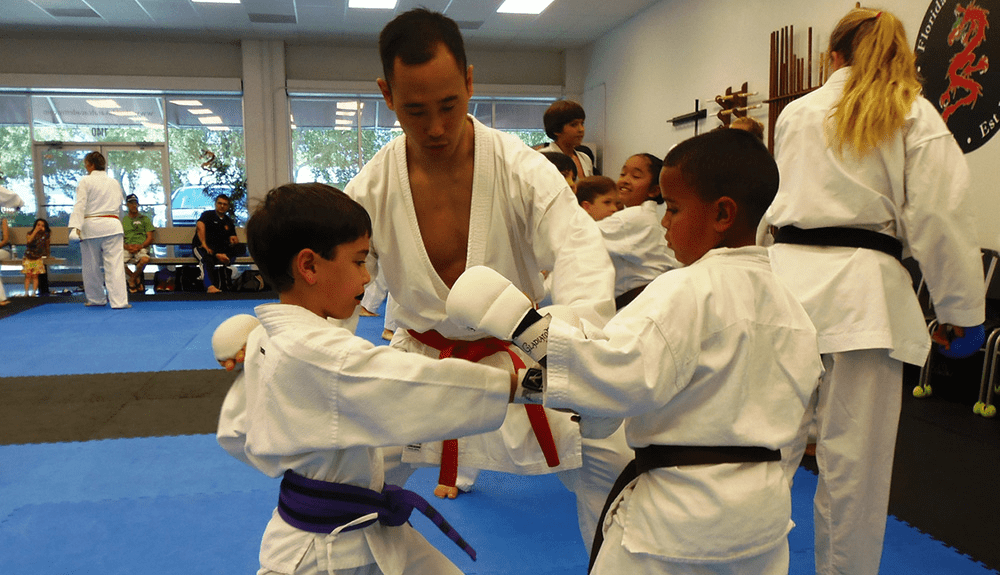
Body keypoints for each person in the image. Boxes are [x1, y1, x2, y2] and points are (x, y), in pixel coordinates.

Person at [446, 128, 823, 575]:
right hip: (764, 521)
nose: (663, 223)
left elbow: (615, 379)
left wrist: (517, 323)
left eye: (674, 209)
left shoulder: (686, 289)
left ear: (723, 213)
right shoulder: (793, 310)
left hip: (675, 525)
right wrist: (527, 386)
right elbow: (795, 425)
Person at [345, 8, 627, 554]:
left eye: (449, 105)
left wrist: (575, 350)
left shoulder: (522, 169)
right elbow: (337, 284)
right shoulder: (371, 188)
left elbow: (580, 254)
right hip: (423, 363)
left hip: (520, 358)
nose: (435, 127)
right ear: (387, 95)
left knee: (610, 463)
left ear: (470, 82)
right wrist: (304, 344)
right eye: (415, 110)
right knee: (348, 477)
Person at [761, 8, 986, 575]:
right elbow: (938, 215)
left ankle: (742, 564)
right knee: (855, 470)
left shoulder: (797, 112)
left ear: (833, 56)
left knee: (763, 449)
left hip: (783, 286)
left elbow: (774, 201)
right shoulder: (913, 111)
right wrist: (960, 309)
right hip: (866, 298)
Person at [218, 182, 522, 575]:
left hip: (355, 527)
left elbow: (236, 433)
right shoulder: (319, 353)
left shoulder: (271, 337)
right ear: (309, 266)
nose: (366, 278)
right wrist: (520, 384)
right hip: (325, 554)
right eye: (359, 262)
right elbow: (412, 383)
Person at [600, 153, 678, 309]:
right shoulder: (643, 216)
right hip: (648, 301)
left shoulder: (634, 217)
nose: (625, 180)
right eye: (623, 174)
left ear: (654, 190)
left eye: (635, 176)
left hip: (636, 304)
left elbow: (581, 235)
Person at [68, 151, 129, 309]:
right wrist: (119, 223)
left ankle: (96, 299)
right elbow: (119, 207)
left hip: (91, 226)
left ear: (90, 165)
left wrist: (75, 227)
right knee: (115, 266)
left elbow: (80, 204)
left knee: (91, 266)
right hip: (113, 224)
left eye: (86, 164)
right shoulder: (114, 182)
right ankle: (119, 302)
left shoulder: (85, 181)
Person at [192, 194, 244, 294]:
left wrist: (233, 241)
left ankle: (225, 258)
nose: (222, 206)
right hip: (204, 247)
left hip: (219, 248)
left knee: (241, 248)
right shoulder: (207, 215)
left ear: (228, 206)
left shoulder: (228, 221)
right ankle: (209, 286)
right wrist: (204, 244)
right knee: (207, 258)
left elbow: (233, 237)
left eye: (225, 204)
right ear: (216, 204)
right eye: (220, 203)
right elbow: (200, 226)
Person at [538, 100, 593, 180]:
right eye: (573, 125)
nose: (581, 129)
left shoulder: (585, 158)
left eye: (582, 123)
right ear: (556, 130)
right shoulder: (542, 158)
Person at [122, 194, 155, 293]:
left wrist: (140, 246)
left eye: (135, 203)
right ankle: (136, 278)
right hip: (128, 247)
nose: (134, 205)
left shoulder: (145, 219)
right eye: (131, 203)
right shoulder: (123, 220)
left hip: (141, 247)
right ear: (127, 205)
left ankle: (132, 280)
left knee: (145, 259)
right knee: (117, 262)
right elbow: (119, 238)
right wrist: (126, 247)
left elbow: (150, 238)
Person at [21, 218, 50, 297]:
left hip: (37, 258)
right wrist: (35, 231)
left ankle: (34, 292)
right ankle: (26, 292)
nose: (40, 227)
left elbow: (47, 246)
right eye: (38, 225)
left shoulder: (45, 235)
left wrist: (48, 255)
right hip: (29, 257)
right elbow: (29, 241)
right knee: (28, 275)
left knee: (35, 275)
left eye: (42, 225)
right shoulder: (30, 233)